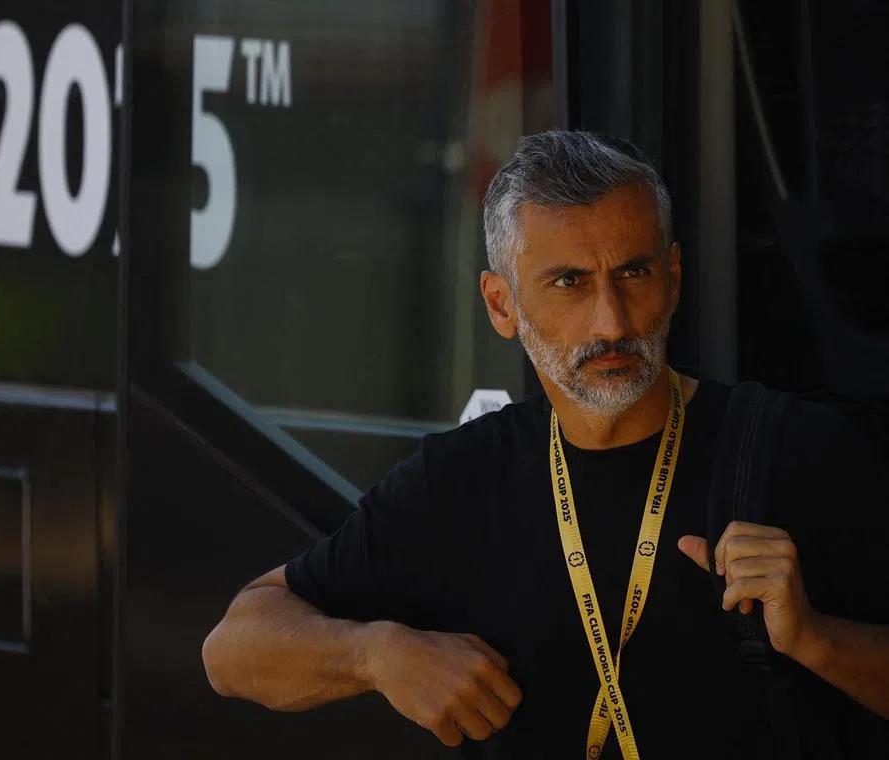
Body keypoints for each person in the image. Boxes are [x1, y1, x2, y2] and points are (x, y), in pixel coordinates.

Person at [200, 130, 889, 759]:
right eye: (569, 283)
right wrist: (377, 655)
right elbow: (233, 648)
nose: (611, 320)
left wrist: (815, 638)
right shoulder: (460, 482)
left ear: (674, 279)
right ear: (501, 305)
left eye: (634, 274)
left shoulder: (799, 453)